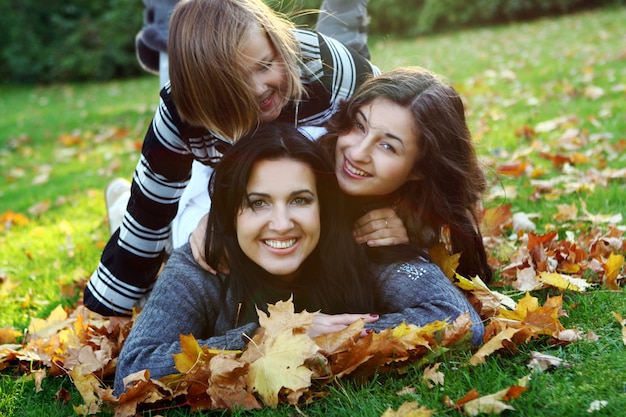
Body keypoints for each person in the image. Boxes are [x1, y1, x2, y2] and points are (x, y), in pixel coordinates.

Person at [114, 123, 484, 395]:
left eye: (300, 200)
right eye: (258, 202)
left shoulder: (363, 239)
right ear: (231, 213)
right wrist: (270, 338)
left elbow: (461, 320)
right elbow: (132, 371)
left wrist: (343, 334)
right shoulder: (203, 263)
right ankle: (120, 208)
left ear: (323, 205)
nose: (281, 223)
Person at [85, 0, 382, 317]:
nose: (259, 88)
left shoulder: (325, 65)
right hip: (222, 171)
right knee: (203, 247)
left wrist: (406, 215)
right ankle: (120, 208)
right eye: (236, 83)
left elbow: (402, 131)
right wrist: (114, 304)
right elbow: (150, 207)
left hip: (304, 173)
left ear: (276, 41)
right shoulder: (180, 112)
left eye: (265, 65)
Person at [318, 66, 493, 282]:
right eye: (359, 125)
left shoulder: (414, 214)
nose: (357, 152)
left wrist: (412, 234)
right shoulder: (300, 164)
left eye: (388, 146)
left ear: (419, 170)